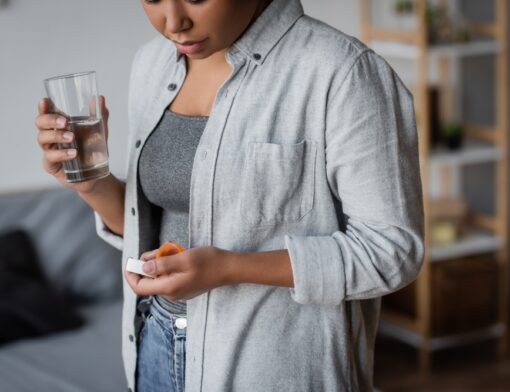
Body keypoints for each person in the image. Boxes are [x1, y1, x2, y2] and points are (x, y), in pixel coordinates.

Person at [35, 0, 425, 391]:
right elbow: (148, 226)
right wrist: (92, 186)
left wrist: (229, 268)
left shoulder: (341, 71)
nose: (173, 23)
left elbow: (391, 251)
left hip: (270, 369)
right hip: (153, 344)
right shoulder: (151, 65)